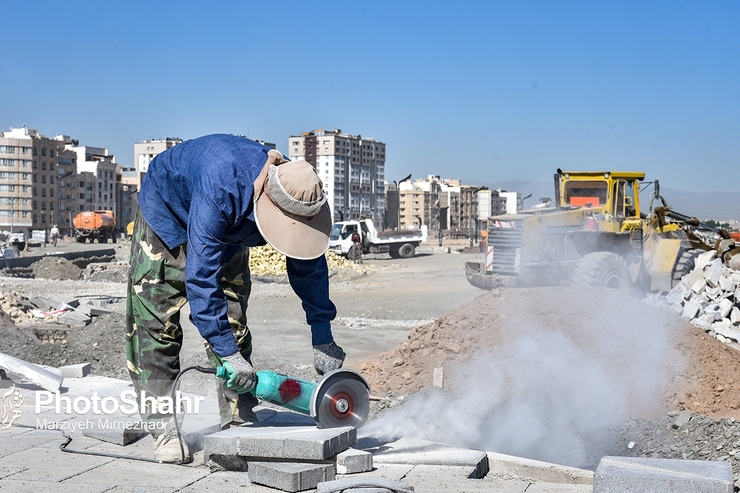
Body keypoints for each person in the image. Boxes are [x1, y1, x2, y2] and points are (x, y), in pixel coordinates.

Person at [125, 134, 346, 463]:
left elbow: (309, 266)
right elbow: (201, 278)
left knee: (232, 320)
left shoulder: (298, 193)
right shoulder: (222, 183)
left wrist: (322, 335)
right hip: (169, 214)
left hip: (230, 227)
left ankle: (237, 419)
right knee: (156, 324)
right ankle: (164, 426)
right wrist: (226, 352)